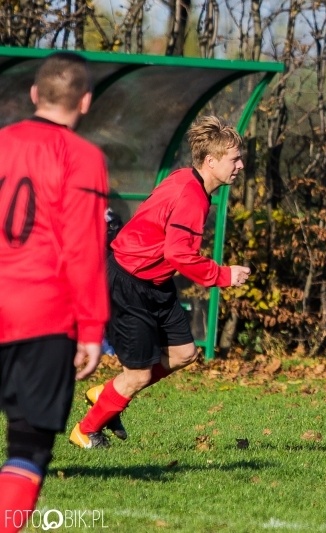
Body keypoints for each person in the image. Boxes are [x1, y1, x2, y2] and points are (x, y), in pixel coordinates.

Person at [69, 115, 251, 449]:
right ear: (211, 162)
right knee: (137, 375)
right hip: (128, 284)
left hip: (155, 281)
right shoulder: (192, 197)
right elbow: (180, 254)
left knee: (184, 353)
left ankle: (106, 394)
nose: (240, 165)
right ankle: (85, 430)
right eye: (234, 159)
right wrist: (224, 275)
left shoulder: (187, 178)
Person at [0, 52, 108, 532]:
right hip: (42, 314)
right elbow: (84, 248)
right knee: (28, 443)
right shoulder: (84, 158)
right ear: (85, 102)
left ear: (34, 95)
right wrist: (92, 328)